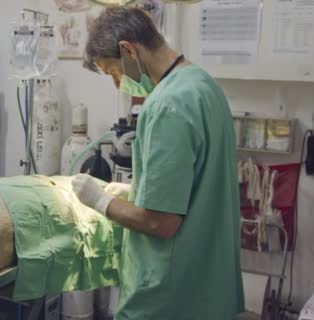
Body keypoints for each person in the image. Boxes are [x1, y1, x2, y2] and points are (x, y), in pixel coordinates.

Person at [72, 6, 244, 319]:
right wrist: (136, 194)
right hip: (208, 290)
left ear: (128, 50)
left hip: (169, 298)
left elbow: (160, 222)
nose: (116, 84)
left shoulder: (166, 105)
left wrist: (99, 200)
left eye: (113, 72)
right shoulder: (205, 86)